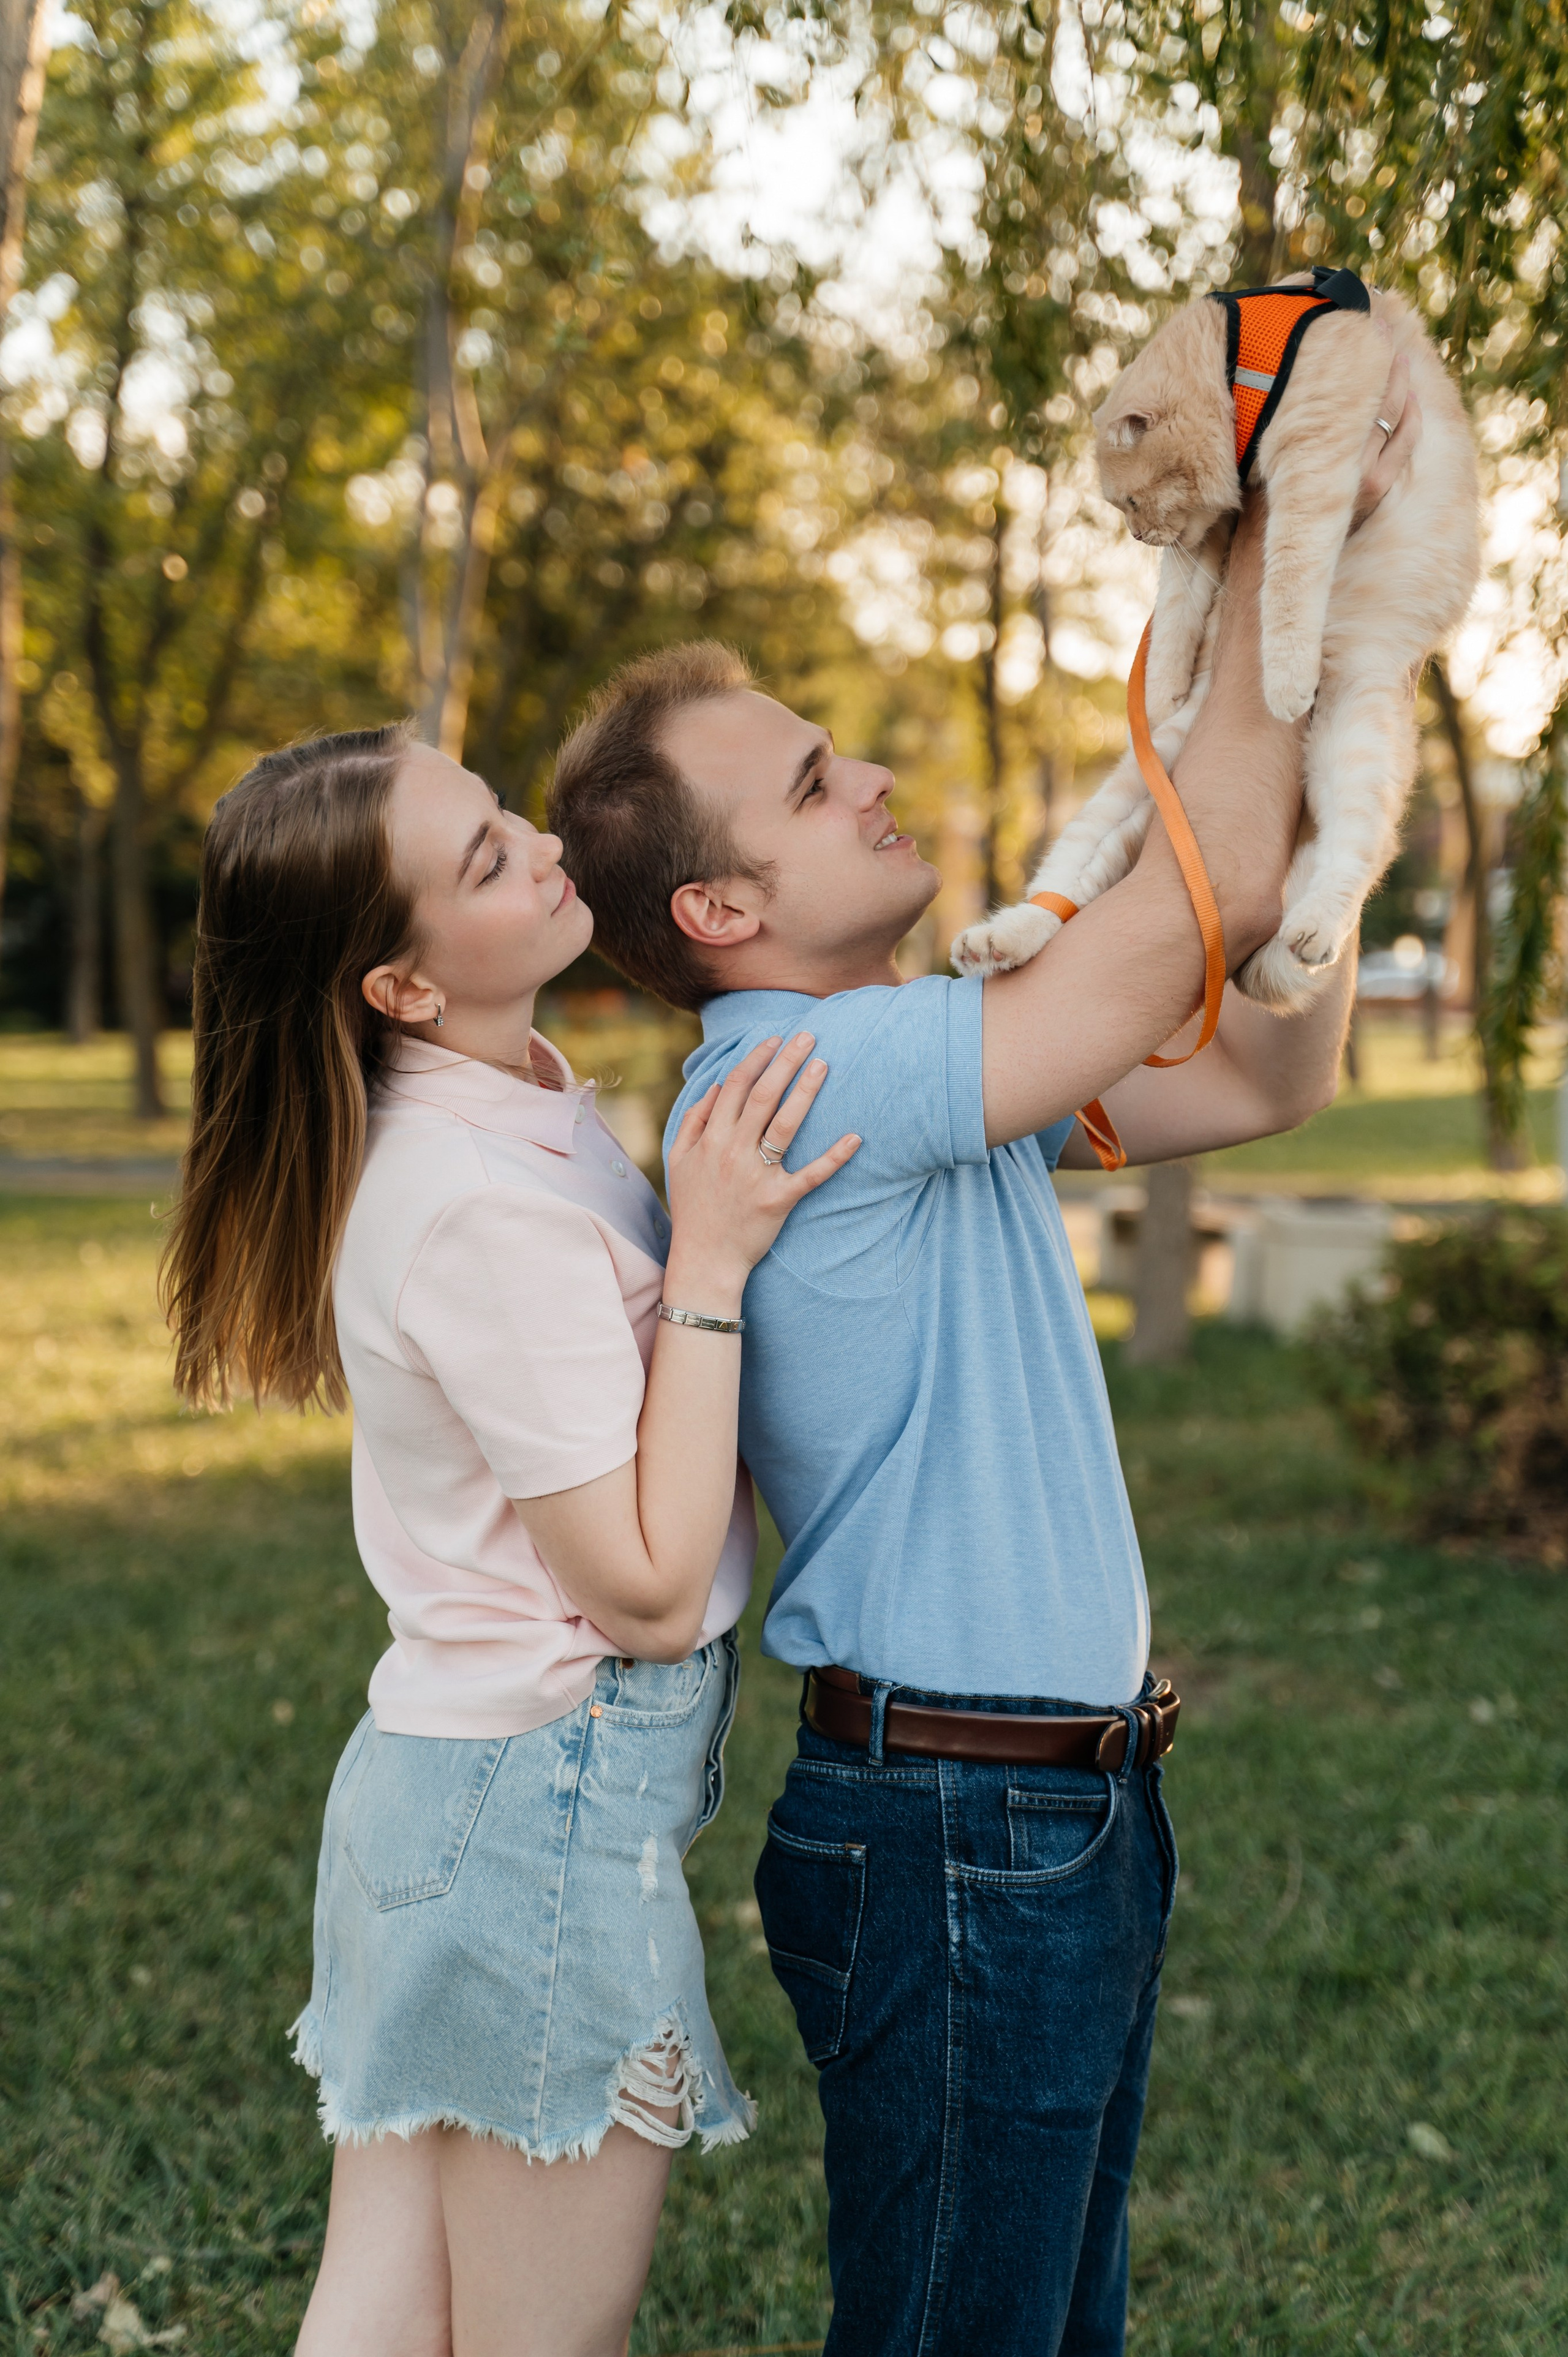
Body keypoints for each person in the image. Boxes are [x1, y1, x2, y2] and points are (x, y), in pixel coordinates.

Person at [547, 382, 1420, 2355]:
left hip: (1056, 1814)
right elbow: (1194, 906)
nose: (867, 778)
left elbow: (1274, 1066)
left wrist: (1332, 775)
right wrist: (1274, 544)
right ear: (724, 913)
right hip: (961, 1832)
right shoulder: (818, 1075)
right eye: (809, 780)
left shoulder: (941, 1078)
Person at [160, 725, 860, 2357]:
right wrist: (715, 1255)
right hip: (542, 1800)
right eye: (483, 860)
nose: (543, 846)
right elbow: (641, 1587)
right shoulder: (474, 1198)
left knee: (395, 2295)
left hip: (444, 1784)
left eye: (497, 812)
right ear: (398, 988)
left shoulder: (505, 1099)